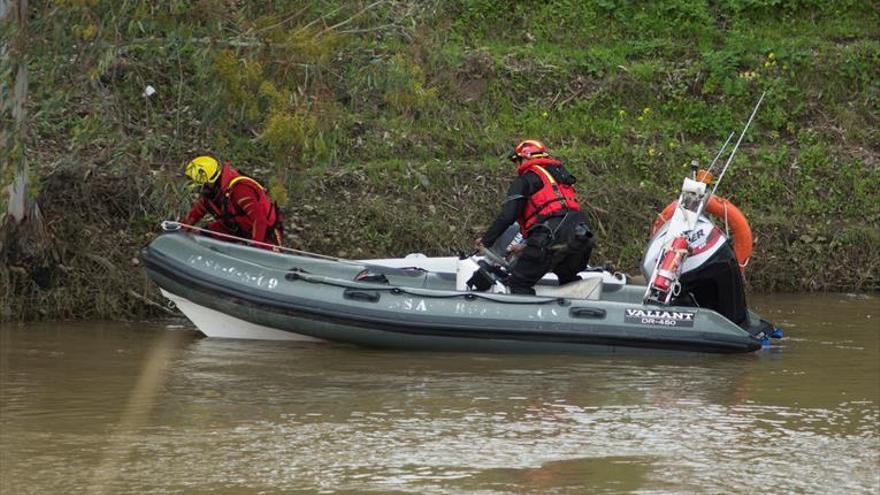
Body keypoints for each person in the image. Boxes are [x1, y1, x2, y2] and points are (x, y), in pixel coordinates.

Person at [476, 140, 594, 294]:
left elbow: (507, 216)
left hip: (551, 233)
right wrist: (527, 247)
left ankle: (525, 316)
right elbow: (562, 223)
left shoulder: (526, 180)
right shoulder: (560, 178)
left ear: (524, 158)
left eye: (516, 162)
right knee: (567, 276)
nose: (516, 167)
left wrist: (485, 242)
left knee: (518, 284)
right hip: (583, 234)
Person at [182, 156, 283, 248]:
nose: (199, 190)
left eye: (200, 186)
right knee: (202, 235)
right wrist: (180, 231)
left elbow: (260, 220)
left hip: (263, 231)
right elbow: (194, 215)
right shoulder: (210, 195)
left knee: (265, 260)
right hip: (234, 228)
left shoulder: (240, 190)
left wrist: (254, 247)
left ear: (210, 182)